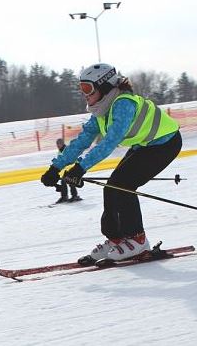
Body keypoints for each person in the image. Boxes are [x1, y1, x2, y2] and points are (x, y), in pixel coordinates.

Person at [41, 63, 182, 263]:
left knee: (123, 185)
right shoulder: (101, 111)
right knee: (111, 188)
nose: (84, 94)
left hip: (165, 143)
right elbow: (82, 141)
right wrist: (56, 167)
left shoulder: (124, 104)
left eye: (88, 89)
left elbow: (109, 143)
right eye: (81, 88)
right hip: (144, 145)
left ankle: (137, 240)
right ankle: (116, 239)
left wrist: (80, 168)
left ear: (104, 86)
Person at [53, 138, 82, 204]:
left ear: (62, 143)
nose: (57, 145)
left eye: (59, 144)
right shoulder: (60, 151)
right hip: (66, 169)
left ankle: (74, 196)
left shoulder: (67, 150)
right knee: (63, 181)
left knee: (69, 180)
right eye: (57, 144)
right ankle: (65, 196)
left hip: (73, 167)